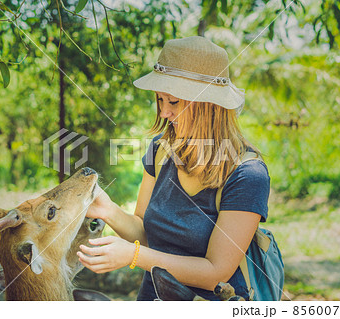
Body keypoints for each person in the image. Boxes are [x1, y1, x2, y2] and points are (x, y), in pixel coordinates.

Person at [77, 36, 270, 301]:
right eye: (159, 100)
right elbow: (147, 235)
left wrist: (133, 256)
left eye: (174, 102)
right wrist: (108, 210)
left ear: (208, 106)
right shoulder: (160, 150)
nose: (164, 112)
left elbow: (217, 272)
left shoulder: (248, 176)